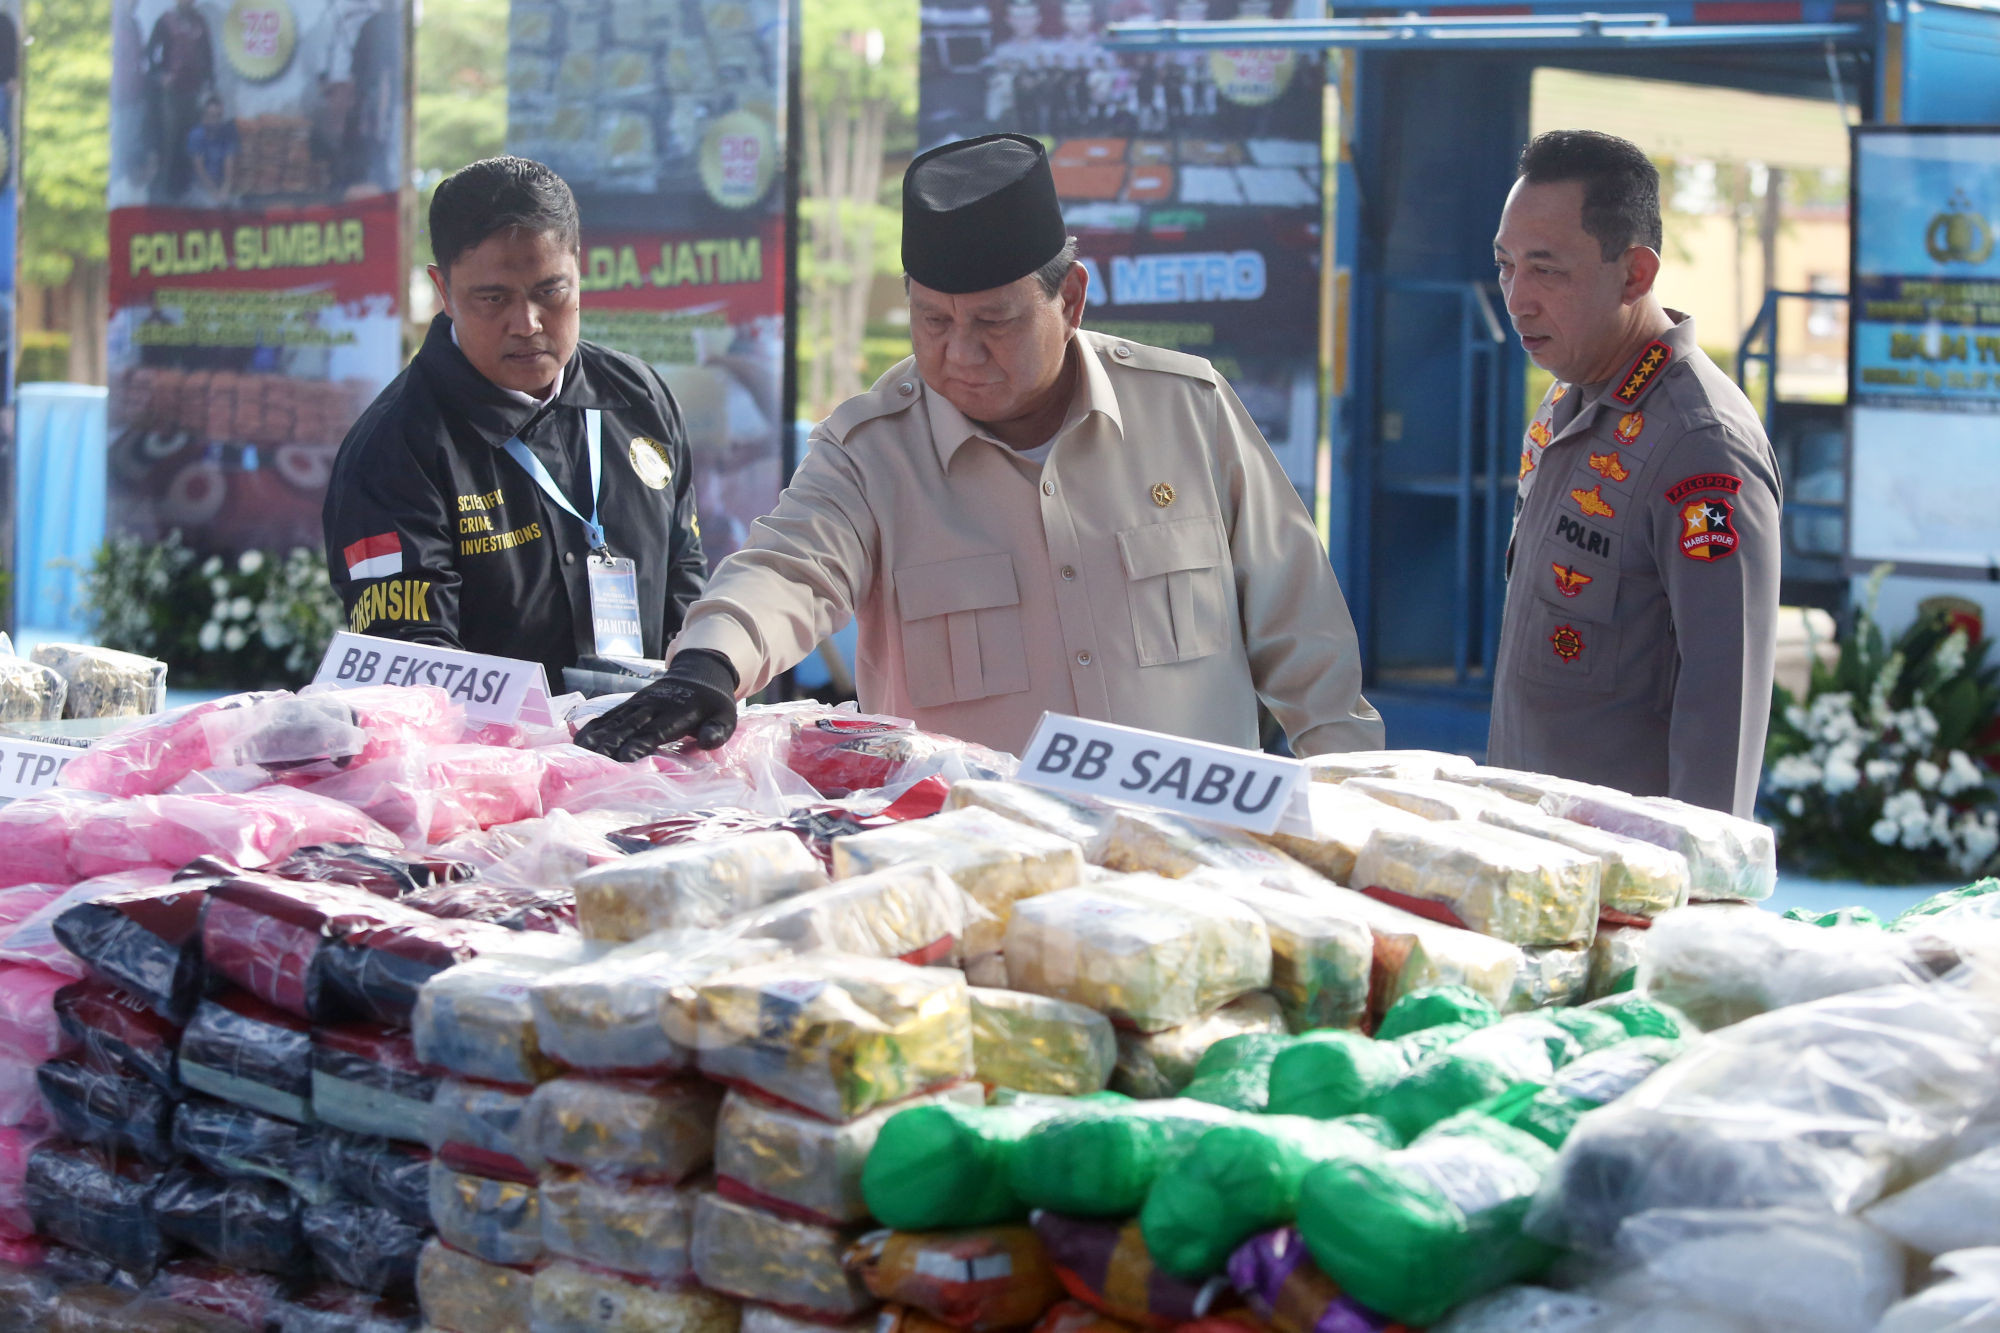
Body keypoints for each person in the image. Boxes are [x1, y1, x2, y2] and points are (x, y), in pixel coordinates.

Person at [576, 132, 1379, 762]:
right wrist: (708, 665)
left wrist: (1349, 818)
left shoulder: (1189, 412)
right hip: (977, 886)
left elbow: (1306, 639)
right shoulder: (871, 452)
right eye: (933, 321)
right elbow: (787, 569)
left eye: (993, 322)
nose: (959, 353)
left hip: (1198, 866)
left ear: (1069, 299)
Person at [322, 157, 707, 685]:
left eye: (551, 292)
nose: (526, 324)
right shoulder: (395, 447)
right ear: (443, 291)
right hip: (489, 761)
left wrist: (691, 688)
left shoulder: (639, 398)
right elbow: (410, 668)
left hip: (649, 753)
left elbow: (685, 574)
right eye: (493, 298)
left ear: (578, 268)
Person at [1489, 130, 1781, 817]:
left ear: (1636, 274)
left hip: (1625, 891)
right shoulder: (1571, 395)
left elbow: (1724, 711)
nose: (1516, 298)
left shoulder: (1700, 445)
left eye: (1547, 269)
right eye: (1505, 265)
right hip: (1532, 854)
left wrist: (1701, 908)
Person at [146, 0, 214, 200]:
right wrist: (161, 76)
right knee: (170, 140)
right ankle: (162, 191)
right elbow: (150, 53)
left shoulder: (200, 22)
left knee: (191, 139)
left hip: (194, 91)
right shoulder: (165, 21)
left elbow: (208, 54)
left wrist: (210, 82)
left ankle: (183, 189)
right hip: (172, 93)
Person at [186, 95, 238, 203]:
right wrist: (214, 193)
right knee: (210, 206)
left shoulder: (227, 135)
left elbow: (229, 164)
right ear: (204, 117)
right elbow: (199, 169)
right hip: (201, 186)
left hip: (220, 184)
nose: (215, 120)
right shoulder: (196, 135)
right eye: (211, 116)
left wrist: (225, 189)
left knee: (237, 205)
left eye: (218, 116)